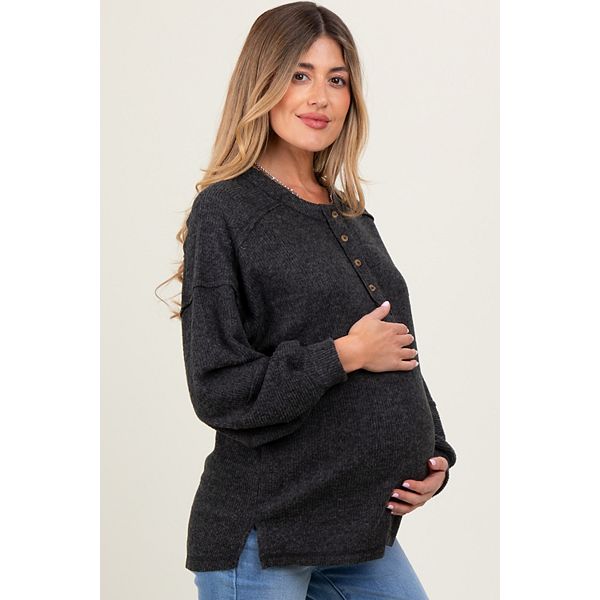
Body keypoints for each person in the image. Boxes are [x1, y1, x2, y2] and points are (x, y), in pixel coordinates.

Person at [158, 2, 457, 598]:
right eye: (300, 74)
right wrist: (343, 354)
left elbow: (398, 349)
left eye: (336, 79)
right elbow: (217, 386)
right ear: (262, 84)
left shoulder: (350, 214)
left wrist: (437, 456)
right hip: (263, 533)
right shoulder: (226, 210)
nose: (320, 97)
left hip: (356, 529)